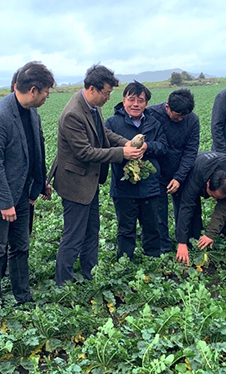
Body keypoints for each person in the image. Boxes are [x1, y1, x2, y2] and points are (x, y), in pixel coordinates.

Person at [0, 61, 55, 307]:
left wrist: (41, 182)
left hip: (22, 192)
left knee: (20, 246)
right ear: (33, 90)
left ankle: (22, 297)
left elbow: (36, 149)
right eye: (47, 90)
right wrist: (5, 203)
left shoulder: (32, 112)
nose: (48, 95)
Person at [49, 65, 144, 286]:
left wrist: (125, 142)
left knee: (92, 230)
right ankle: (63, 284)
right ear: (92, 88)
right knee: (73, 235)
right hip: (75, 182)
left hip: (88, 182)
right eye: (106, 93)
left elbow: (104, 133)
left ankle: (89, 274)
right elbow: (85, 152)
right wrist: (123, 153)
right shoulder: (74, 113)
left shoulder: (92, 106)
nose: (108, 98)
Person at [105, 81, 167, 261]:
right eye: (131, 99)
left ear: (146, 103)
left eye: (140, 100)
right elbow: (105, 149)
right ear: (124, 101)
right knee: (126, 230)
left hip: (150, 186)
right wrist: (124, 153)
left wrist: (147, 146)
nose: (136, 104)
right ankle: (125, 264)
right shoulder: (112, 123)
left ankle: (152, 262)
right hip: (123, 187)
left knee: (152, 228)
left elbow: (163, 147)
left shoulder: (154, 124)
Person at [147, 89, 200, 253]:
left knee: (185, 208)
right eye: (177, 115)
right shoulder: (152, 114)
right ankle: (163, 249)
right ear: (168, 106)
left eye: (184, 115)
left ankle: (187, 243)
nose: (181, 119)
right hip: (156, 172)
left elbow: (191, 151)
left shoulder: (192, 120)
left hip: (181, 171)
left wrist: (178, 177)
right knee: (159, 212)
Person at [174, 152, 226, 266]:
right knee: (193, 211)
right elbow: (186, 208)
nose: (215, 200)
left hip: (217, 164)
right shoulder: (196, 178)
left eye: (219, 198)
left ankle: (224, 235)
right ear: (208, 184)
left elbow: (222, 209)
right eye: (214, 196)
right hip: (194, 168)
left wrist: (210, 234)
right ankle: (191, 241)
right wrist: (181, 242)